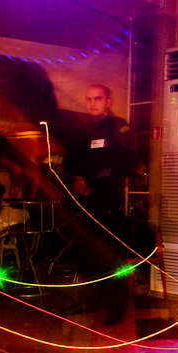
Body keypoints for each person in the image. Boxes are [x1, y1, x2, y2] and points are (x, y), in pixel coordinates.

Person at [59, 84, 133, 326]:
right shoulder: (79, 129)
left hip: (108, 203)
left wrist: (90, 180)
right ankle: (89, 301)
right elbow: (68, 162)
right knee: (85, 256)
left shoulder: (119, 127)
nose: (92, 103)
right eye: (89, 99)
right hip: (83, 203)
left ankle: (116, 307)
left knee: (112, 256)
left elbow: (124, 163)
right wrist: (75, 181)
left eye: (98, 98)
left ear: (108, 101)